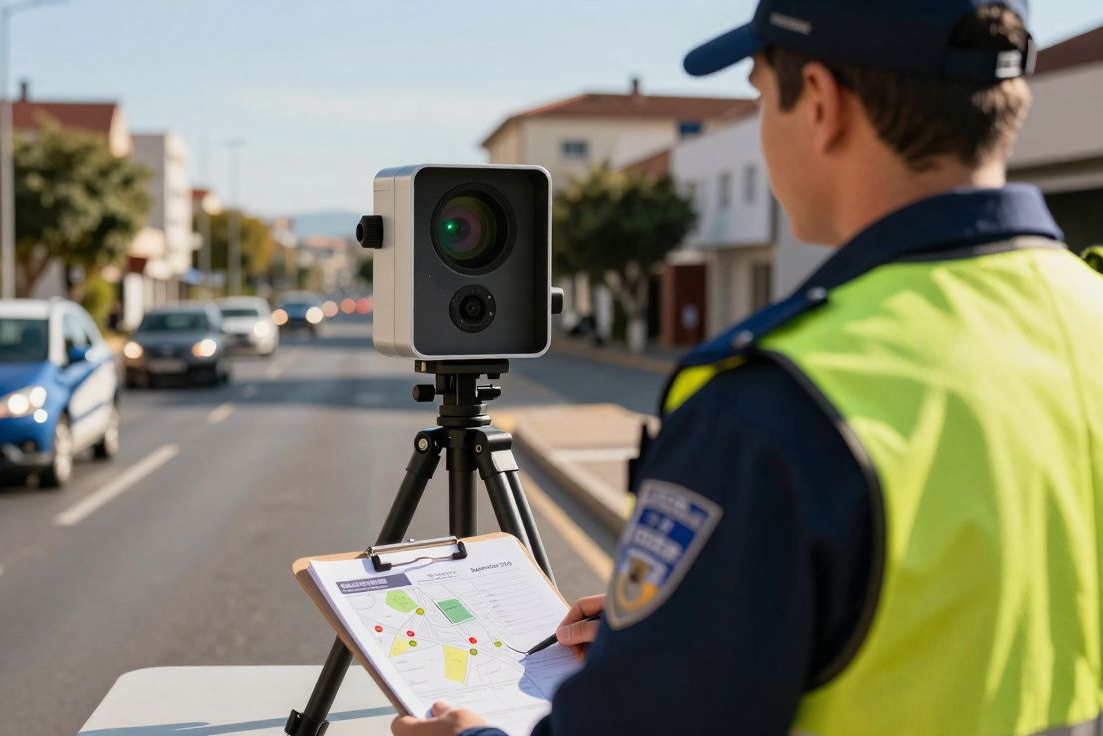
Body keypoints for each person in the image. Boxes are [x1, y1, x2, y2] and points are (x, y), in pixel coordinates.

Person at [392, 0, 1103, 734]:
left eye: (760, 96)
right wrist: (691, 631)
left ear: (821, 103)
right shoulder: (1088, 314)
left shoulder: (772, 408)